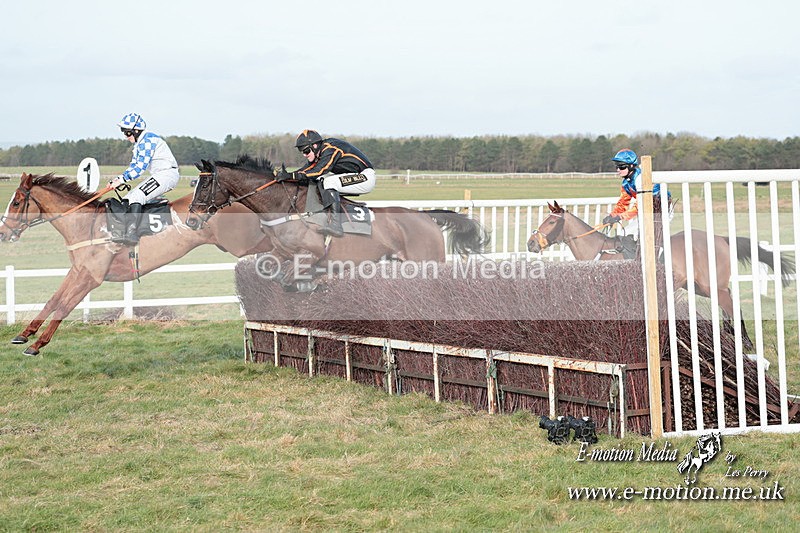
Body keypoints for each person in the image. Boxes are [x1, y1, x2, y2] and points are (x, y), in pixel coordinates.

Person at [274, 129, 376, 237]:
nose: (304, 155)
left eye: (306, 151)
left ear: (315, 146)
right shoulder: (320, 152)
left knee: (328, 181)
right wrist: (288, 176)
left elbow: (318, 171)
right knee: (321, 180)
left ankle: (336, 225)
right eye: (302, 152)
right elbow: (305, 170)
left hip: (365, 177)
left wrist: (292, 176)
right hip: (354, 175)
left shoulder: (330, 149)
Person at [108, 113, 180, 245]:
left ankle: (132, 233)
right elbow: (133, 166)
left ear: (136, 130)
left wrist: (121, 180)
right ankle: (127, 230)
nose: (125, 136)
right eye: (123, 132)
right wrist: (117, 179)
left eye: (127, 132)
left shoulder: (147, 140)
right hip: (159, 175)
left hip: (166, 174)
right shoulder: (139, 144)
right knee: (128, 199)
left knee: (136, 197)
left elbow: (139, 168)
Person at [602, 148, 663, 242]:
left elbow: (640, 205)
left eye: (621, 167)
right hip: (647, 211)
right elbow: (622, 203)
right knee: (625, 234)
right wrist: (612, 216)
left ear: (631, 166)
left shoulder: (641, 179)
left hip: (661, 210)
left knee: (638, 236)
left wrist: (621, 216)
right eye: (617, 167)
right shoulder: (626, 183)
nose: (618, 170)